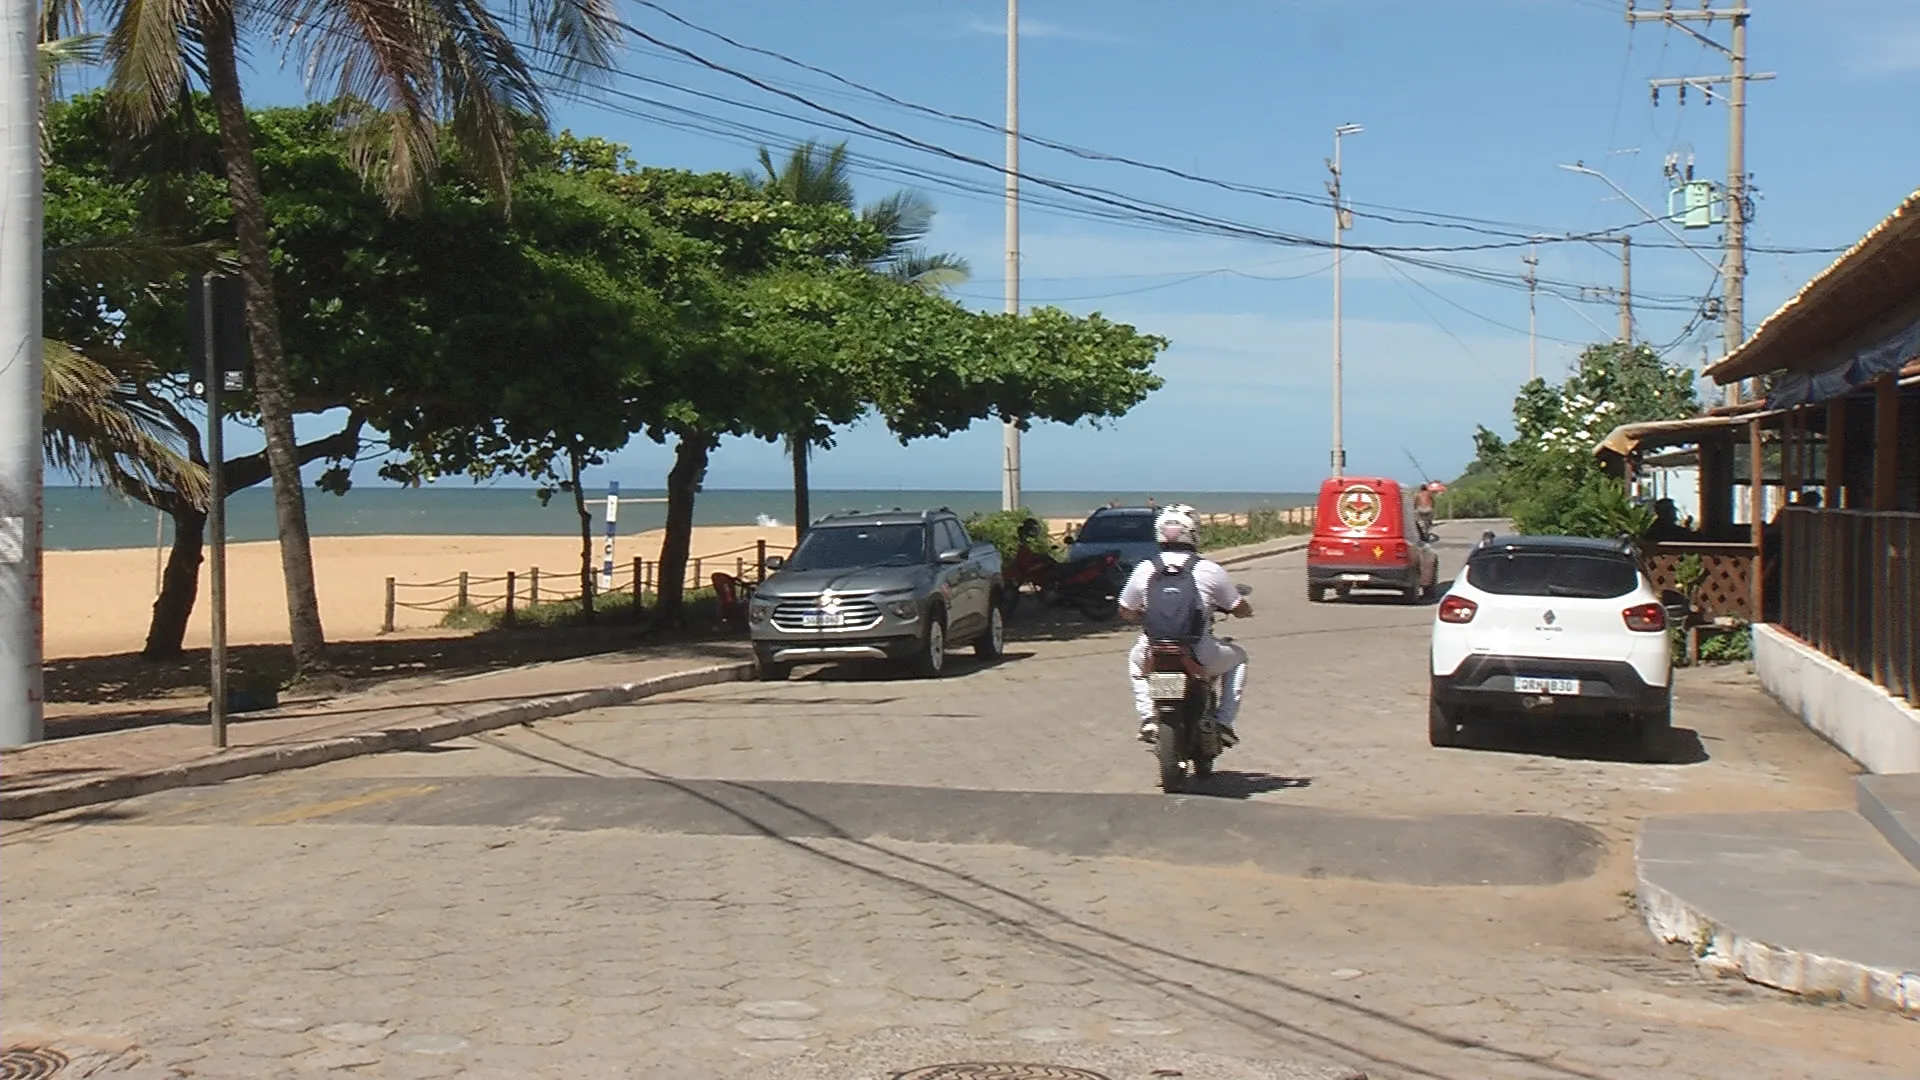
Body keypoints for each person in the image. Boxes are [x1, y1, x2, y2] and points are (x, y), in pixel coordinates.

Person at [1118, 506, 1253, 746]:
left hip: (1154, 649)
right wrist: (1244, 611)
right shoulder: (1209, 569)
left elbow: (1125, 609)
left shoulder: (1145, 568)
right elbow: (1238, 606)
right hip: (1198, 651)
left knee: (1135, 662)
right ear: (1192, 533)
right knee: (1239, 658)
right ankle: (1224, 722)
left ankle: (1148, 716)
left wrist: (1144, 616)